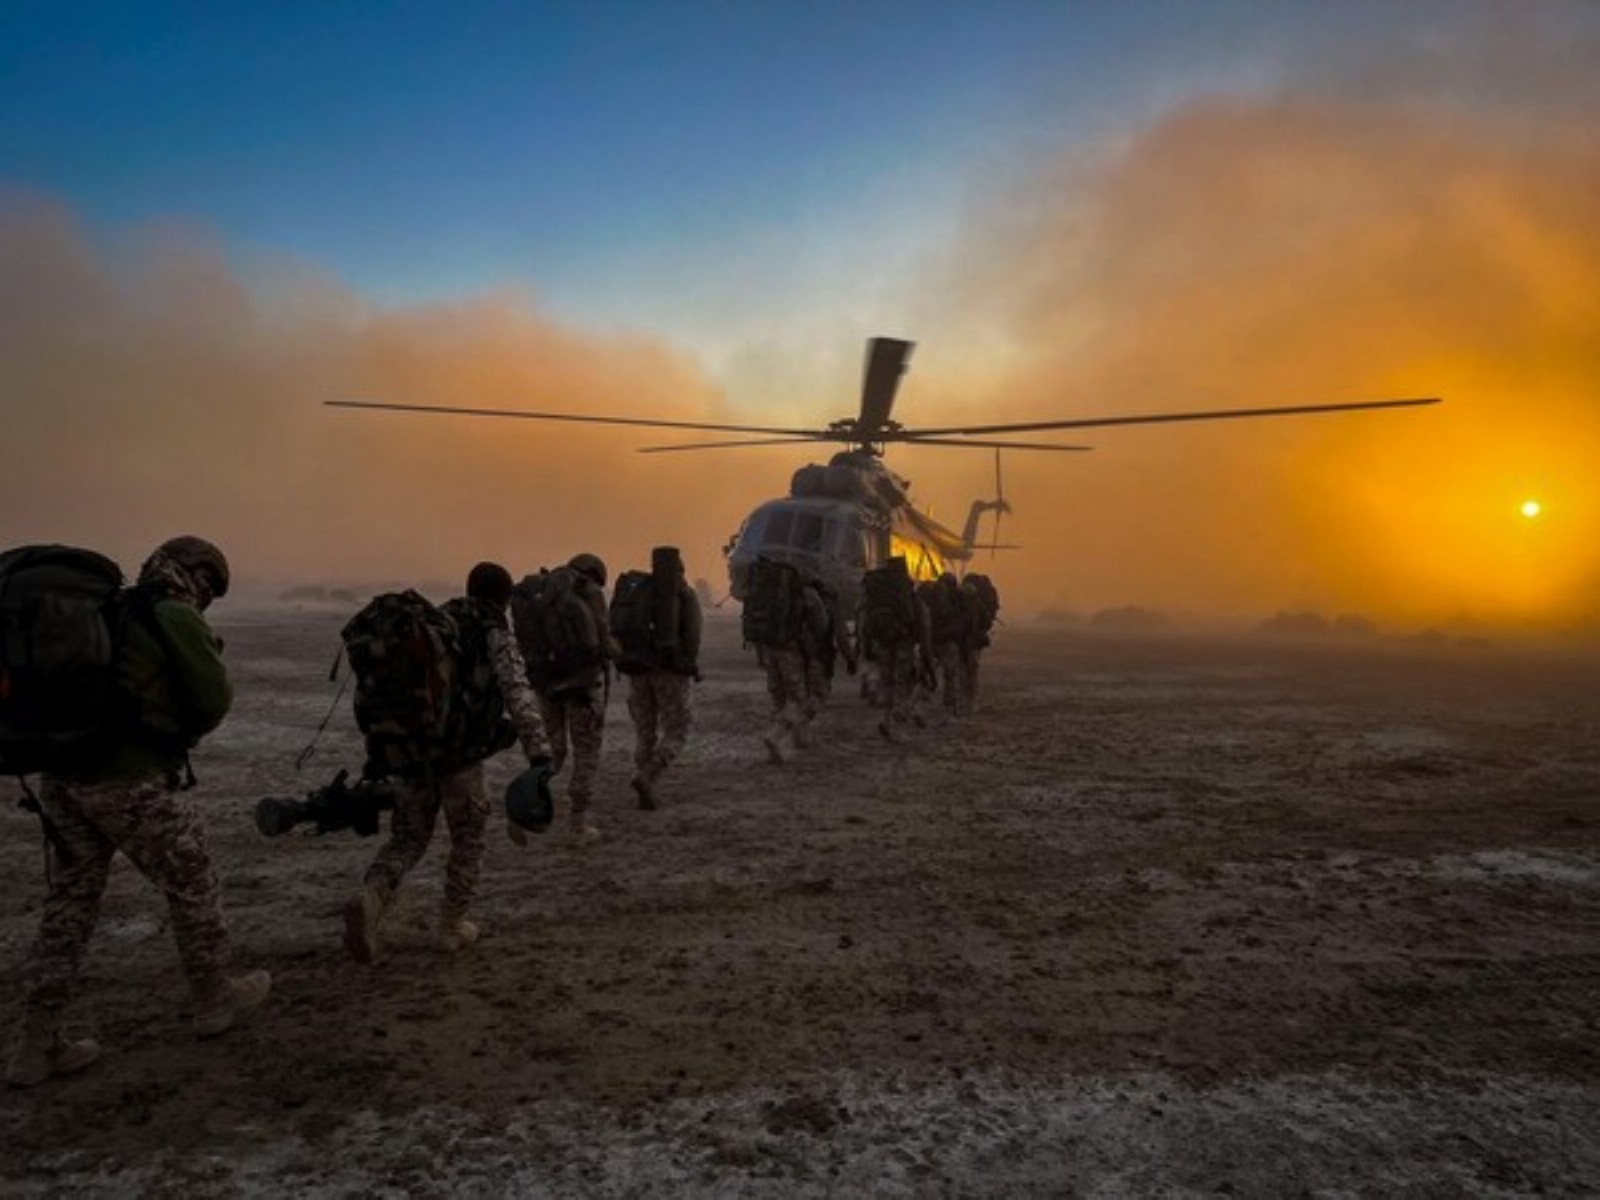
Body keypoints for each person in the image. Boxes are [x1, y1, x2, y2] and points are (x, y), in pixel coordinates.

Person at [7, 536, 270, 1087]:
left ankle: (35, 1045)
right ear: (196, 573)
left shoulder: (114, 610)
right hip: (126, 779)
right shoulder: (172, 612)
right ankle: (214, 998)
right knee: (192, 880)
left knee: (69, 907)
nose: (208, 598)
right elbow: (214, 699)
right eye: (211, 587)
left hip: (62, 778)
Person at [343, 562, 551, 964]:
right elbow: (517, 691)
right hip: (458, 758)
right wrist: (539, 752)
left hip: (409, 754)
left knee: (407, 838)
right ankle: (451, 925)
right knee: (468, 840)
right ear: (504, 599)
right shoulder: (493, 631)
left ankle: (372, 898)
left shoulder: (437, 623)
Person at [533, 552, 615, 843]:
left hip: (547, 684)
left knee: (552, 751)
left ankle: (526, 804)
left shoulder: (542, 591)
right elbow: (604, 643)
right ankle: (577, 825)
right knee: (586, 753)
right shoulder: (587, 592)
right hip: (582, 686)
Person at [614, 546, 702, 810]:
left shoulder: (640, 592)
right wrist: (688, 665)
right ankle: (650, 774)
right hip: (670, 672)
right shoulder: (684, 596)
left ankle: (644, 777)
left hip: (639, 671)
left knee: (645, 731)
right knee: (677, 728)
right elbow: (693, 635)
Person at [741, 557, 812, 763]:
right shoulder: (799, 594)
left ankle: (782, 743)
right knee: (798, 698)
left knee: (778, 698)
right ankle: (775, 735)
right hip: (788, 650)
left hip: (767, 649)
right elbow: (817, 624)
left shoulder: (765, 590)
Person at [858, 556, 933, 742]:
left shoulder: (875, 595)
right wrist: (927, 660)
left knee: (888, 683)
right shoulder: (910, 596)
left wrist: (866, 649)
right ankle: (896, 724)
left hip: (882, 644)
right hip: (903, 644)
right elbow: (923, 629)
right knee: (903, 685)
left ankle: (887, 720)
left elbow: (864, 624)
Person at [796, 576, 856, 740]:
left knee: (802, 694)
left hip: (795, 655)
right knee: (820, 694)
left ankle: (800, 734)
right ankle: (793, 724)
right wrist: (850, 659)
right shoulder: (830, 606)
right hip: (818, 655)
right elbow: (841, 637)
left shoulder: (798, 602)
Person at [918, 572, 971, 718]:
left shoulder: (929, 596)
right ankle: (949, 708)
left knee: (925, 673)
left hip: (930, 641)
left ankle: (919, 705)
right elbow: (965, 624)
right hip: (949, 642)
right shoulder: (958, 598)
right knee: (950, 676)